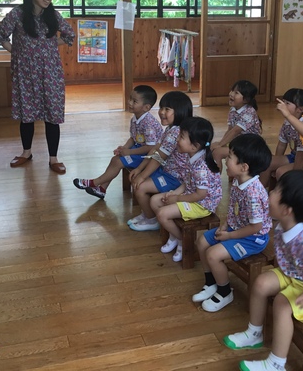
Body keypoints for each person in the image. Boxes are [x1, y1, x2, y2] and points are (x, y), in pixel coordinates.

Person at [224, 170, 303, 371]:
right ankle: (254, 333)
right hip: (298, 274)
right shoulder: (285, 224)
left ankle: (276, 364)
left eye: (276, 191)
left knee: (282, 303)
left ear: (287, 210)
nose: (270, 192)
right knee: (261, 283)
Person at [0, 0, 75, 174]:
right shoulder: (17, 14)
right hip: (25, 74)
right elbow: (1, 36)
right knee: (27, 116)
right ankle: (26, 152)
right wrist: (18, 53)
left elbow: (69, 35)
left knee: (52, 115)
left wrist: (48, 45)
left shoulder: (53, 15)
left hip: (51, 74)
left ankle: (54, 158)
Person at [194, 134, 272, 312]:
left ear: (244, 167)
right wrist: (224, 226)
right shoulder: (239, 181)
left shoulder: (253, 193)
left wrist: (229, 235)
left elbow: (256, 227)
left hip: (253, 238)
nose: (225, 160)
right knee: (202, 242)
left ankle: (224, 292)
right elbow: (233, 208)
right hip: (235, 228)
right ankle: (211, 282)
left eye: (229, 157)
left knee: (213, 254)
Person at [152, 117, 222, 262]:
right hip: (191, 195)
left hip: (202, 205)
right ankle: (175, 236)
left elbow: (200, 195)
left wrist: (177, 199)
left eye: (181, 137)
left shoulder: (201, 167)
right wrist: (174, 193)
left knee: (162, 214)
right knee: (155, 201)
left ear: (194, 146)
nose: (177, 139)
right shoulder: (192, 156)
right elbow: (187, 181)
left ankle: (182, 240)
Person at [74, 85, 163, 199]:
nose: (129, 102)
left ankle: (94, 183)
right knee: (116, 159)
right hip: (140, 151)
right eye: (130, 99)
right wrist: (124, 148)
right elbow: (133, 138)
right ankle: (101, 189)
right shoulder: (135, 118)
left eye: (134, 101)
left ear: (146, 107)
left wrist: (129, 152)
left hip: (150, 156)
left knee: (117, 161)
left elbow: (151, 147)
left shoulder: (148, 123)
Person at [127, 91, 193, 231]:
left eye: (167, 109)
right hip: (166, 171)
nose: (162, 112)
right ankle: (147, 214)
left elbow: (159, 157)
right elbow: (155, 150)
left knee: (140, 187)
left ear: (180, 111)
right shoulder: (170, 129)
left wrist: (142, 176)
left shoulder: (176, 132)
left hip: (177, 178)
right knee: (139, 180)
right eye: (161, 108)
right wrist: (139, 169)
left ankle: (151, 220)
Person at [259, 88, 303, 187]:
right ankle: (259, 192)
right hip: (293, 156)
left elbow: (302, 156)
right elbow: (281, 145)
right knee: (267, 162)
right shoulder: (287, 123)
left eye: (287, 103)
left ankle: (283, 195)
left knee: (281, 172)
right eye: (283, 101)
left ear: (300, 109)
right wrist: (276, 162)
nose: (282, 105)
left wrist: (295, 175)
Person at [210, 80, 261, 171]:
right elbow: (230, 130)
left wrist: (220, 145)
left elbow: (235, 131)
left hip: (249, 147)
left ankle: (215, 179)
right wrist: (221, 143)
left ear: (246, 100)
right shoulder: (233, 110)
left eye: (236, 93)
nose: (231, 94)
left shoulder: (249, 112)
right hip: (239, 143)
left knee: (217, 153)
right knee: (212, 147)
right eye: (232, 90)